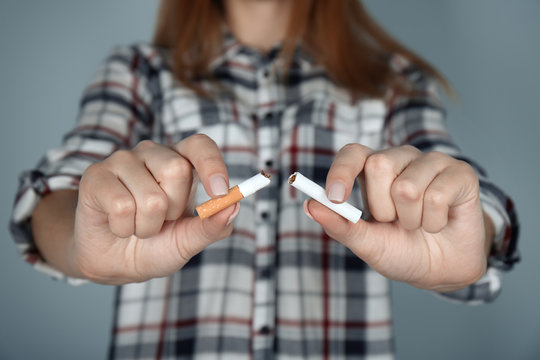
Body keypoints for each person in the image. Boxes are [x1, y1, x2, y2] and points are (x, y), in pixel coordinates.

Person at [10, 0, 519, 359]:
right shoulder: (139, 72)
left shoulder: (395, 83)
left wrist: (473, 229)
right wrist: (80, 238)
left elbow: (456, 185)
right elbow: (58, 192)